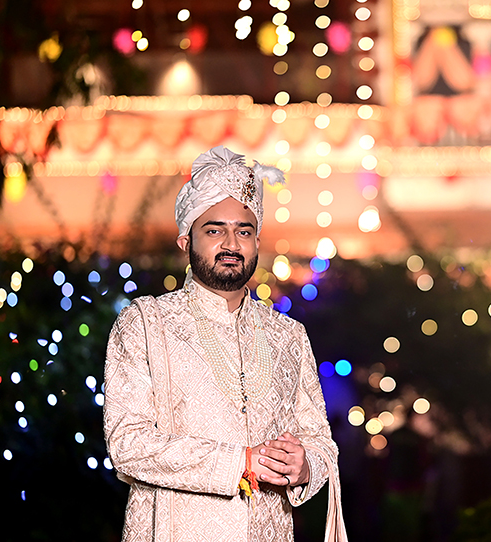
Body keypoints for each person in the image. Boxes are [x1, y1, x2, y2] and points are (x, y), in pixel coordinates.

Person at [103, 146, 345, 542]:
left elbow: (320, 442)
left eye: (244, 231)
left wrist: (306, 467)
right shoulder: (146, 324)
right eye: (214, 230)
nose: (231, 243)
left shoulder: (288, 336)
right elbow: (128, 444)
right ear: (186, 240)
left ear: (256, 240)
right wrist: (239, 464)